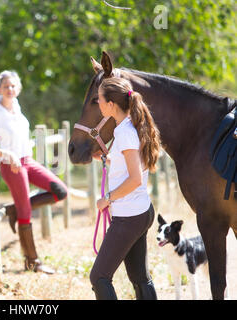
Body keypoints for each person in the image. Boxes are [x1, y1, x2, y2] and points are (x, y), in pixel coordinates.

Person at [0, 70, 68, 274]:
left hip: (28, 161)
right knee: (26, 214)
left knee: (60, 191)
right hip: (11, 165)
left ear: (18, 88)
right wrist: (8, 155)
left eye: (13, 86)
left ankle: (15, 209)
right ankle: (32, 262)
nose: (10, 89)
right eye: (6, 86)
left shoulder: (17, 108)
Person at [89, 77, 161, 300]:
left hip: (129, 216)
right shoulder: (129, 126)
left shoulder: (125, 132)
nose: (97, 104)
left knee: (99, 277)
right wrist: (110, 160)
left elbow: (135, 179)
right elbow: (133, 165)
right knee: (139, 277)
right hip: (139, 212)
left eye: (99, 100)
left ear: (111, 104)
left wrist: (107, 198)